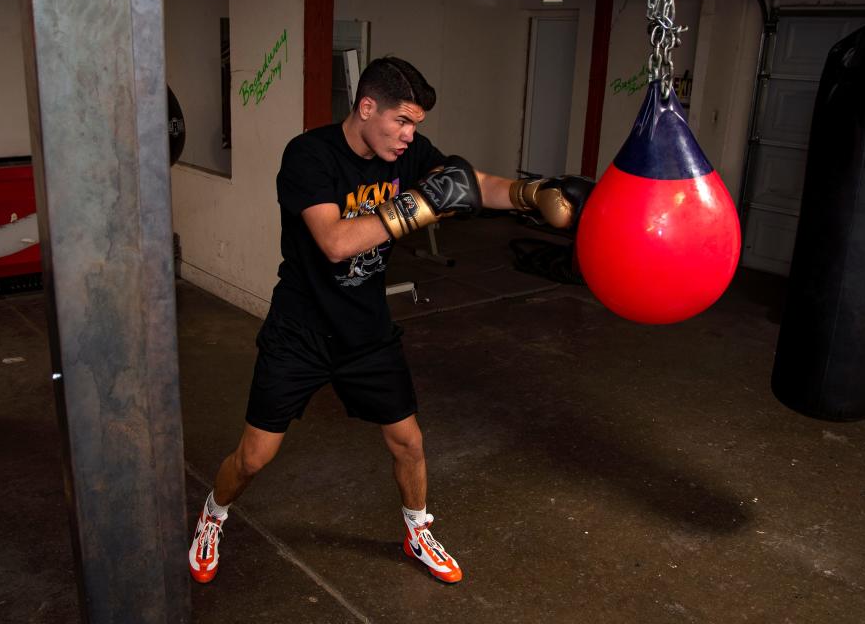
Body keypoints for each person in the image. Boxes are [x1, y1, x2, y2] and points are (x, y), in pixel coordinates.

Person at [188, 56, 593, 585]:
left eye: (415, 125)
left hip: (366, 330)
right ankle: (213, 514)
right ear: (366, 107)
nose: (408, 136)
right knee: (254, 458)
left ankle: (416, 528)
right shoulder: (309, 156)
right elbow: (335, 243)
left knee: (410, 442)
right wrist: (420, 204)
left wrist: (530, 193)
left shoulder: (407, 152)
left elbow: (465, 182)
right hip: (301, 330)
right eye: (400, 121)